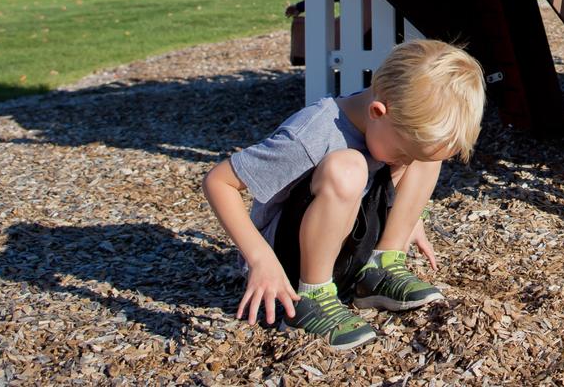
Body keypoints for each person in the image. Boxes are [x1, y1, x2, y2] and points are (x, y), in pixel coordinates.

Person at [203, 38, 486, 350]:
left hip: (348, 247)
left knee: (426, 156)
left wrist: (407, 215)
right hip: (290, 265)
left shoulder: (389, 128)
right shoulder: (313, 133)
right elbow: (218, 183)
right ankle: (313, 299)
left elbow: (400, 165)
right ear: (378, 112)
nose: (404, 162)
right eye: (402, 153)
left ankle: (379, 270)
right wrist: (260, 260)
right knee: (348, 167)